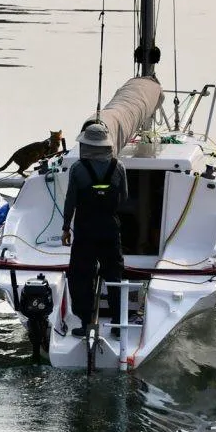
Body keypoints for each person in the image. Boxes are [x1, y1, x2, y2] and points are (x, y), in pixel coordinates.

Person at [60, 121, 129, 337]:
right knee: (114, 275)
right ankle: (118, 324)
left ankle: (86, 322)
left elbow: (70, 201)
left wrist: (66, 228)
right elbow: (124, 198)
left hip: (85, 231)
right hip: (110, 229)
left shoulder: (78, 169)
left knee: (81, 275)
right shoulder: (118, 167)